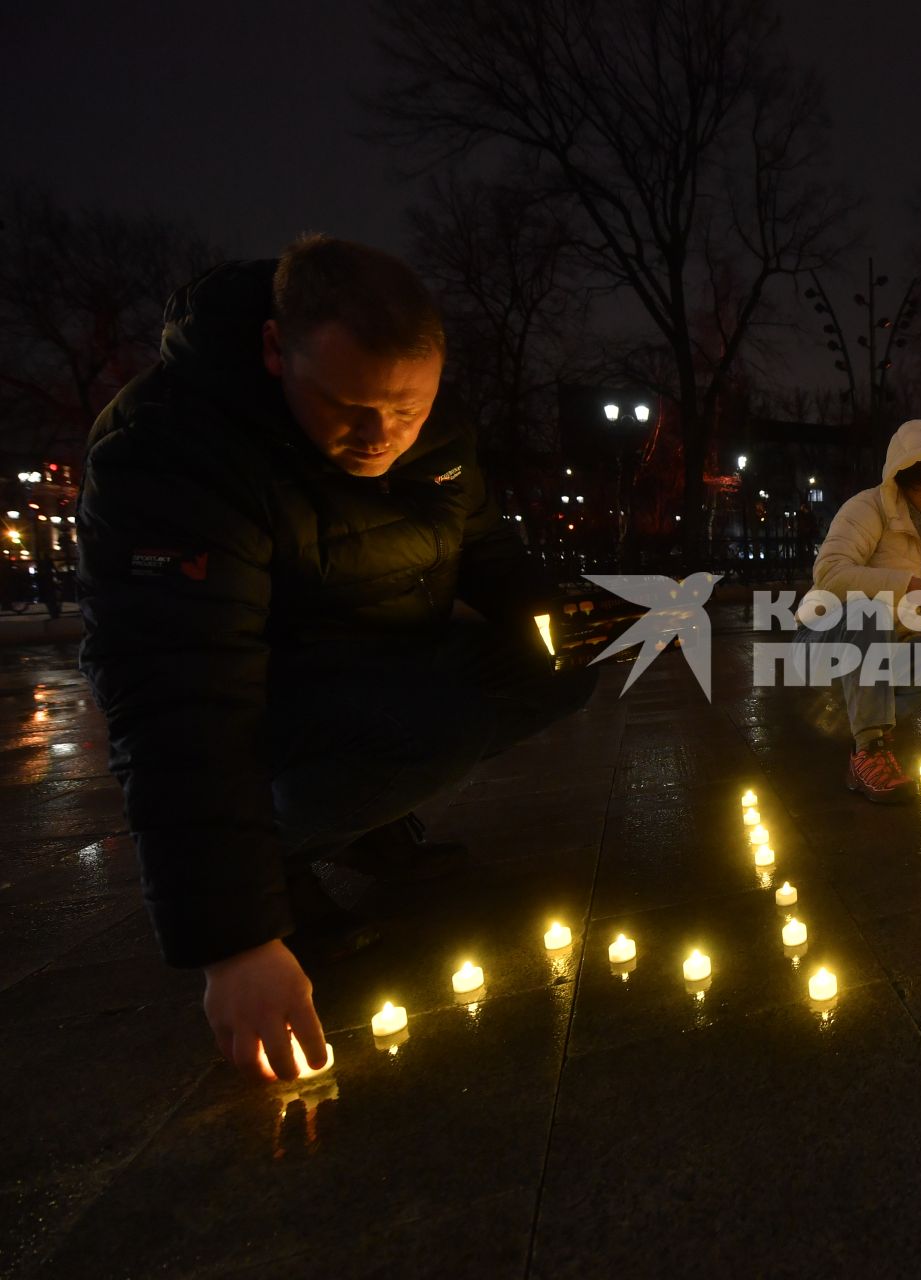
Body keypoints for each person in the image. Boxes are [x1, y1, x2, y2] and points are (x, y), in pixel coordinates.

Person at [78, 236, 594, 1081]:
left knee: (559, 665)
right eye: (348, 405)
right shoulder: (172, 446)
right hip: (269, 706)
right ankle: (276, 855)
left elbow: (485, 549)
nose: (381, 435)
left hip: (382, 672)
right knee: (438, 725)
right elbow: (177, 690)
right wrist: (235, 936)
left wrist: (563, 617)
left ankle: (366, 819)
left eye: (408, 411)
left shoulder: (434, 424)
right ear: (278, 349)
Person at [803, 419, 921, 802]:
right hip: (826, 639)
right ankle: (868, 749)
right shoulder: (868, 508)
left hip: (884, 647)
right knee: (870, 613)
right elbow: (829, 572)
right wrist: (907, 586)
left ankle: (866, 723)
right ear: (903, 472)